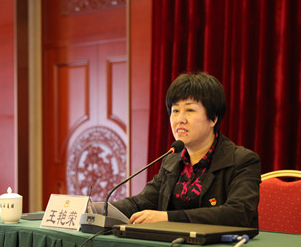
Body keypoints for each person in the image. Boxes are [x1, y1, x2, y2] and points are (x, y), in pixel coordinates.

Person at [111, 72, 260, 227]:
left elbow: (238, 212)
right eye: (175, 111)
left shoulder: (242, 160)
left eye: (190, 110)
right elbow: (141, 202)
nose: (180, 119)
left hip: (222, 242)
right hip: (173, 241)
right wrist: (101, 209)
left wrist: (168, 217)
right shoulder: (172, 160)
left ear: (213, 119)